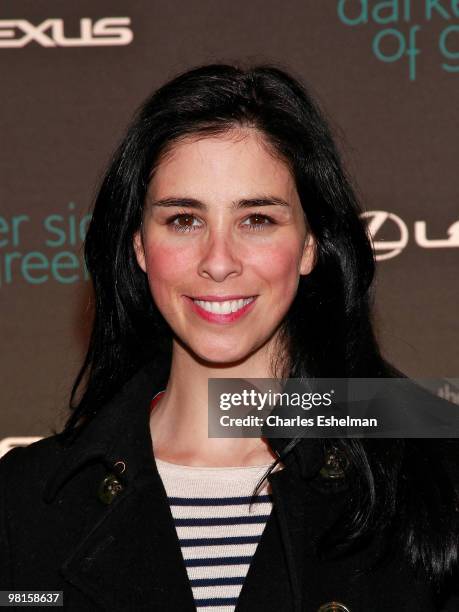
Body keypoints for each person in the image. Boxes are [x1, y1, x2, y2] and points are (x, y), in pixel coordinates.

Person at [0, 63, 457, 612]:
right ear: (139, 246)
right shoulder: (27, 498)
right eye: (184, 221)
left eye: (257, 219)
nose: (219, 263)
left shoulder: (431, 471)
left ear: (310, 244)